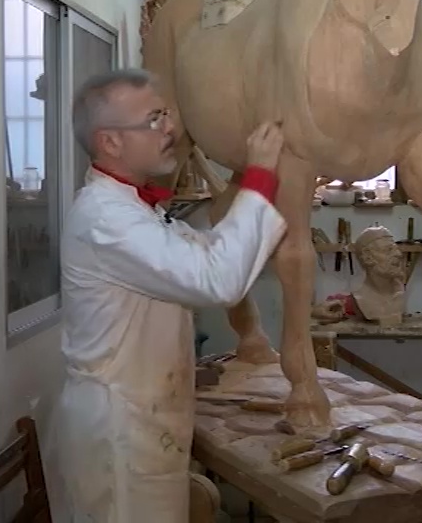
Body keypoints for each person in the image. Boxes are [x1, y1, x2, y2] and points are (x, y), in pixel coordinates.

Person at [53, 68, 287, 523]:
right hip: (120, 431)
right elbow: (217, 280)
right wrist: (260, 176)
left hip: (143, 420)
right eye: (153, 120)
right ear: (111, 143)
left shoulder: (136, 210)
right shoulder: (107, 219)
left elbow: (204, 250)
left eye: (165, 115)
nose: (169, 129)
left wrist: (253, 191)